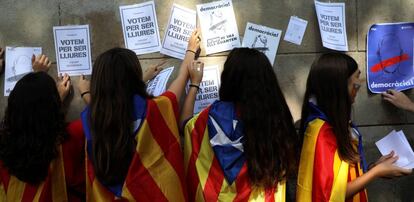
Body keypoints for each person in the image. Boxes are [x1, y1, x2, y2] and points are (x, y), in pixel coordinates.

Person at [77, 30, 203, 201]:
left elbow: (112, 108)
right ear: (134, 75)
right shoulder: (157, 108)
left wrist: (85, 93)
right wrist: (190, 49)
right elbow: (181, 77)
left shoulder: (90, 118)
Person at [182, 48, 299, 201]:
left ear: (228, 79)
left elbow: (185, 125)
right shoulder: (275, 120)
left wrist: (194, 84)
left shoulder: (206, 118)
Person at [297, 52, 412, 202]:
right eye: (355, 81)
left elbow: (342, 176)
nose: (358, 86)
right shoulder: (321, 132)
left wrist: (373, 168)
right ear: (338, 87)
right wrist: (376, 172)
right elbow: (329, 195)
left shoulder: (336, 122)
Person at [0, 54, 85, 201]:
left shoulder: (3, 147)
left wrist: (38, 79)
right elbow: (106, 118)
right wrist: (86, 92)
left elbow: (29, 110)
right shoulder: (71, 137)